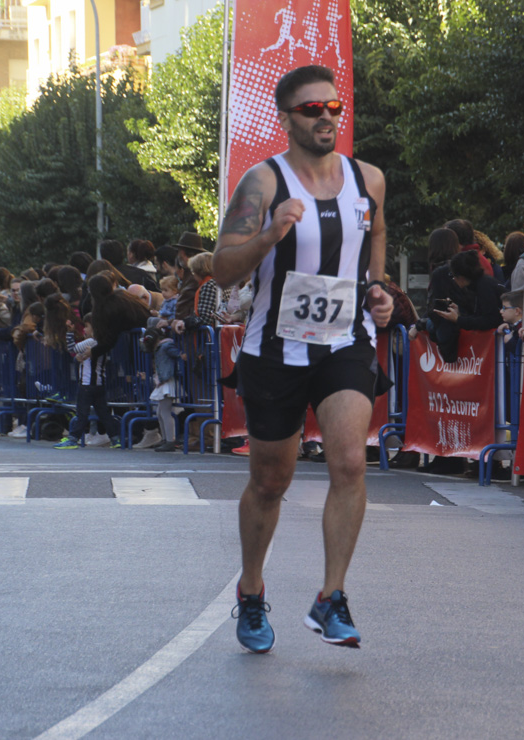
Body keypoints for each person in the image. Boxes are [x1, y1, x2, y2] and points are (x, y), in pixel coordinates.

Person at [212, 64, 392, 653]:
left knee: (349, 464)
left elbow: (377, 236)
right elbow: (222, 268)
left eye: (334, 107)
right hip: (275, 347)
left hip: (345, 341)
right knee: (271, 480)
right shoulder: (263, 183)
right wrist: (268, 236)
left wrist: (379, 288)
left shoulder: (369, 179)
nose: (326, 117)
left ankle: (330, 596)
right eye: (312, 109)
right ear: (286, 117)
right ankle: (252, 590)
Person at [54, 314, 122, 450]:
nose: (84, 329)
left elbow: (72, 349)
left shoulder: (91, 342)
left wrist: (70, 333)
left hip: (86, 384)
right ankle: (115, 439)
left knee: (81, 413)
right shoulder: (104, 343)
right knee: (104, 413)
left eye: (86, 326)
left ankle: (73, 439)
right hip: (99, 383)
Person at [140, 328, 185, 452]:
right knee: (160, 412)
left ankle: (170, 441)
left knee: (165, 412)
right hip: (163, 381)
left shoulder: (166, 346)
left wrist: (181, 355)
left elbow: (175, 354)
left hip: (167, 381)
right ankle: (165, 439)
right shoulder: (161, 347)